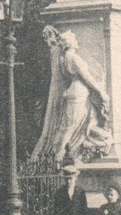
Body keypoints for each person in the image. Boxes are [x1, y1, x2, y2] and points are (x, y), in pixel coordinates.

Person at [32, 27, 112, 164]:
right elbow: (87, 78)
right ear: (69, 43)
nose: (76, 41)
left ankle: (59, 152)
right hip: (79, 93)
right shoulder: (73, 58)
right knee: (70, 125)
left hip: (73, 91)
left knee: (69, 125)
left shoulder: (62, 58)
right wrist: (101, 92)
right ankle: (59, 153)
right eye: (74, 39)